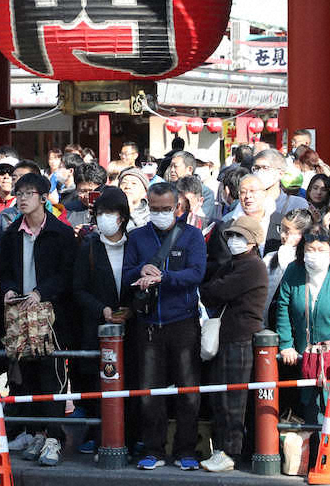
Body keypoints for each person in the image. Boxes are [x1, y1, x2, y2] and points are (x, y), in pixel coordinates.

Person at [123, 181, 206, 471]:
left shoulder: (192, 236)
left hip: (183, 320)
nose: (159, 213)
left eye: (165, 209)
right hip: (147, 323)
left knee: (188, 389)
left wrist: (164, 277)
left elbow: (196, 274)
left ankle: (186, 450)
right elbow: (125, 274)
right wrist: (140, 271)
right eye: (154, 208)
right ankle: (153, 449)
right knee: (149, 391)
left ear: (177, 207)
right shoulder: (137, 237)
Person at [0, 173, 76, 466]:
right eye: (19, 193)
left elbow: (67, 274)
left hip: (51, 317)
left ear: (44, 198)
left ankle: (55, 436)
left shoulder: (61, 233)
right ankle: (36, 432)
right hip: (19, 315)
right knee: (24, 378)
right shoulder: (10, 234)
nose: (23, 198)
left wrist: (42, 292)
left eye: (30, 193)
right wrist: (8, 289)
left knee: (51, 377)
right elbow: (3, 270)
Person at [198, 215, 268, 473]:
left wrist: (213, 286)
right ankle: (222, 449)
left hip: (240, 339)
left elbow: (216, 291)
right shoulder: (233, 264)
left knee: (233, 400)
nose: (235, 241)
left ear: (253, 241)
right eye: (232, 236)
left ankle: (231, 452)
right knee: (220, 397)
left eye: (241, 236)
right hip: (225, 338)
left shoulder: (253, 266)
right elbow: (212, 286)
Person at [276, 225, 330, 424]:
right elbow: (283, 307)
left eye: (321, 249)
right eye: (310, 249)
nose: (315, 254)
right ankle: (313, 452)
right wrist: (286, 345)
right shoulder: (294, 270)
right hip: (305, 354)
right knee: (310, 410)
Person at [72, 186, 132, 455]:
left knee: (131, 381)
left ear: (123, 216)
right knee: (100, 383)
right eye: (101, 213)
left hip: (131, 327)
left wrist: (130, 309)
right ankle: (97, 435)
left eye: (111, 212)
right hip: (97, 326)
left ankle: (131, 436)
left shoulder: (136, 244)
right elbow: (78, 289)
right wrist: (102, 309)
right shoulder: (89, 247)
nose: (106, 218)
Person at [263, 208, 316, 324]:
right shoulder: (270, 257)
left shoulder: (310, 261)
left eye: (288, 231)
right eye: (281, 229)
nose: (282, 235)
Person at [250, 149, 308, 215]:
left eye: (265, 168)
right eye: (256, 168)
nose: (260, 172)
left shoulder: (297, 204)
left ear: (281, 173)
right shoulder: (246, 202)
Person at [168, 151, 216, 219]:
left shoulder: (206, 193)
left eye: (175, 166)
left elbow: (203, 220)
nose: (172, 170)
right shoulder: (168, 189)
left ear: (189, 169)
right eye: (171, 166)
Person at [64, 163, 106, 230]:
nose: (87, 196)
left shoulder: (111, 210)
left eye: (91, 191)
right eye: (83, 191)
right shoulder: (68, 210)